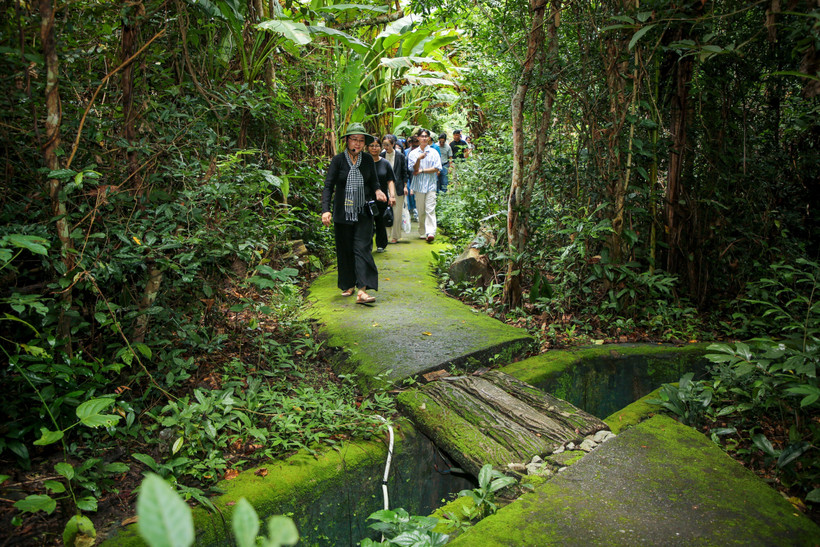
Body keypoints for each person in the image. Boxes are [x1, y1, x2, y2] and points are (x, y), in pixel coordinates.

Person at [321, 123, 388, 304]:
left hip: (363, 212)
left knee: (363, 248)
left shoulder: (367, 160)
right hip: (343, 213)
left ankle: (362, 290)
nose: (357, 144)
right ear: (347, 140)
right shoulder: (338, 161)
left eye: (360, 141)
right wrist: (325, 209)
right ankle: (348, 284)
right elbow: (329, 186)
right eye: (354, 139)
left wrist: (378, 191)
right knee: (345, 249)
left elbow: (374, 181)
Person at [406, 129, 442, 242]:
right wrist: (418, 159)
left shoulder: (434, 152)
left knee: (430, 208)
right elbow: (413, 169)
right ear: (418, 138)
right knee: (420, 209)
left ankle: (430, 232)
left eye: (426, 136)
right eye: (422, 136)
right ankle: (422, 231)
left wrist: (422, 171)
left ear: (429, 138)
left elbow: (437, 168)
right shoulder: (413, 153)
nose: (424, 138)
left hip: (431, 184)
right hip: (418, 186)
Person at [367, 135, 397, 252]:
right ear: (368, 147)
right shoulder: (364, 162)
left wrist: (392, 196)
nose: (374, 148)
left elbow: (390, 180)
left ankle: (381, 244)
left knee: (380, 221)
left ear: (381, 148)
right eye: (371, 146)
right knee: (367, 223)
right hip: (367, 197)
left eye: (377, 146)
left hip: (382, 198)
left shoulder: (385, 163)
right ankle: (367, 246)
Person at [381, 134, 408, 244]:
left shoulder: (400, 156)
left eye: (388, 145)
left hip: (398, 187)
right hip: (384, 188)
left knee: (397, 212)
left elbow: (404, 172)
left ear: (393, 144)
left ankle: (395, 236)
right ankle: (386, 235)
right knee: (386, 211)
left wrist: (405, 186)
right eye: (384, 145)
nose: (386, 147)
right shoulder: (381, 155)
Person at [405, 135, 420, 222]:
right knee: (409, 194)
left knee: (417, 195)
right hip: (409, 176)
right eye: (413, 146)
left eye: (416, 146)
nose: (415, 148)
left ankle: (417, 213)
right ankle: (411, 212)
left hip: (418, 175)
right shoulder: (406, 152)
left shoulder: (421, 152)